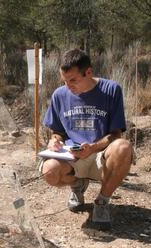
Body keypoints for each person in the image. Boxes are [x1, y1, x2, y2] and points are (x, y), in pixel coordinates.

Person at [42, 49, 132, 230]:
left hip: (102, 155)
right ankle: (77, 185)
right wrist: (54, 141)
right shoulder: (60, 95)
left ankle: (102, 202)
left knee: (123, 147)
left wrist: (93, 147)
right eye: (65, 81)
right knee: (49, 171)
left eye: (73, 80)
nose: (68, 86)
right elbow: (57, 132)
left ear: (88, 72)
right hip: (73, 157)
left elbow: (116, 134)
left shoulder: (111, 90)